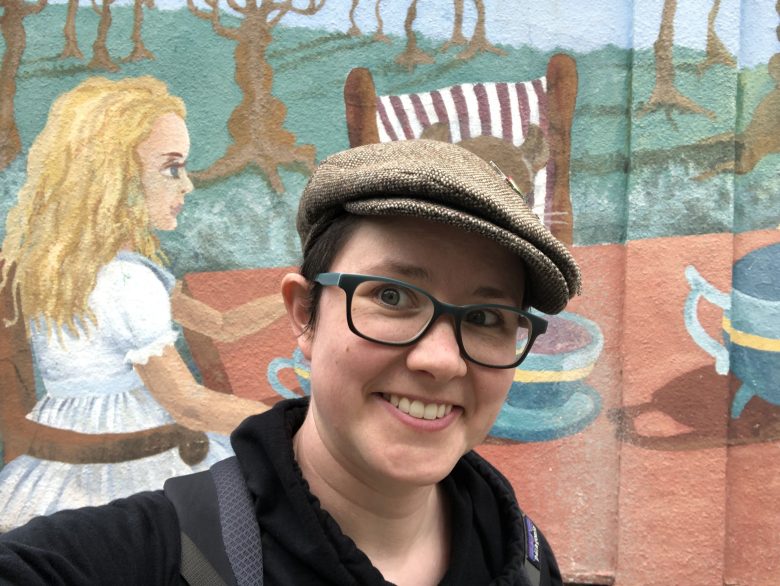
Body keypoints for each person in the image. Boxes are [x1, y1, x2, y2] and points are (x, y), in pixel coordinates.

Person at [0, 138, 580, 585]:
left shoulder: (524, 558)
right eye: (392, 296)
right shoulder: (156, 554)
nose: (441, 360)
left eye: (485, 318)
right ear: (305, 315)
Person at [0, 77, 278, 531]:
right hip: (133, 453)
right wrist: (292, 422)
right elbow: (188, 406)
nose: (187, 185)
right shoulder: (127, 281)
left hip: (62, 451)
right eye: (172, 169)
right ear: (117, 178)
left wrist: (293, 298)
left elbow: (221, 324)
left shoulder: (65, 268)